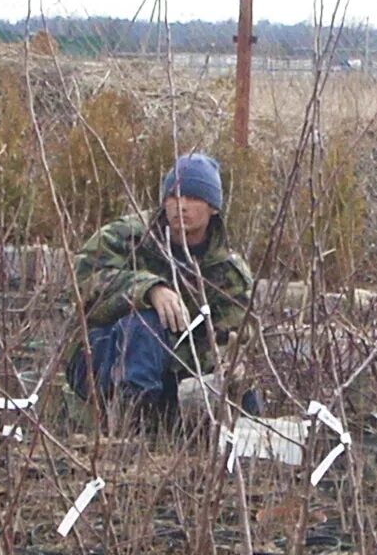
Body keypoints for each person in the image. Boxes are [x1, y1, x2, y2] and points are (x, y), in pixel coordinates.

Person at [68, 152, 256, 424]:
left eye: (193, 198)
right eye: (174, 196)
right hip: (103, 363)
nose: (181, 206)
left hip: (177, 375)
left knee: (244, 392)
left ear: (213, 207)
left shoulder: (227, 271)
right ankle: (131, 421)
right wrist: (148, 289)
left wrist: (230, 366)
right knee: (146, 323)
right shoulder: (127, 237)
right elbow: (83, 283)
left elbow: (235, 334)